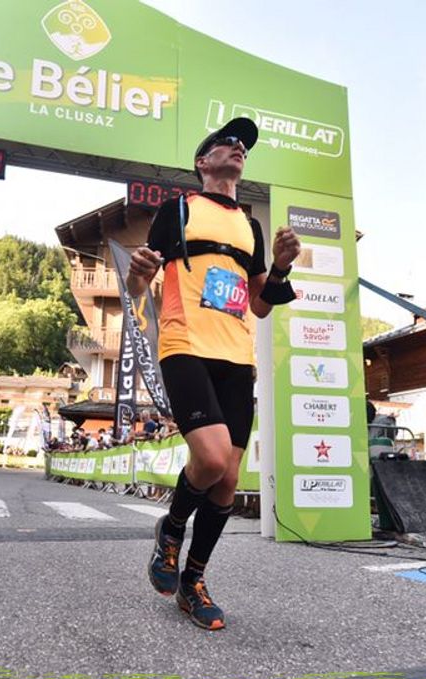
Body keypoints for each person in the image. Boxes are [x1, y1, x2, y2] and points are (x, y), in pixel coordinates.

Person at [127, 117, 300, 630]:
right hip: (185, 345)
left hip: (236, 357)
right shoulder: (177, 210)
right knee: (211, 456)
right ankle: (171, 528)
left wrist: (282, 266)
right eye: (227, 142)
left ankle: (193, 581)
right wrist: (138, 276)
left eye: (244, 145)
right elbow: (139, 289)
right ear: (203, 162)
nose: (238, 147)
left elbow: (262, 305)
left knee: (226, 481)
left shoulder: (250, 226)